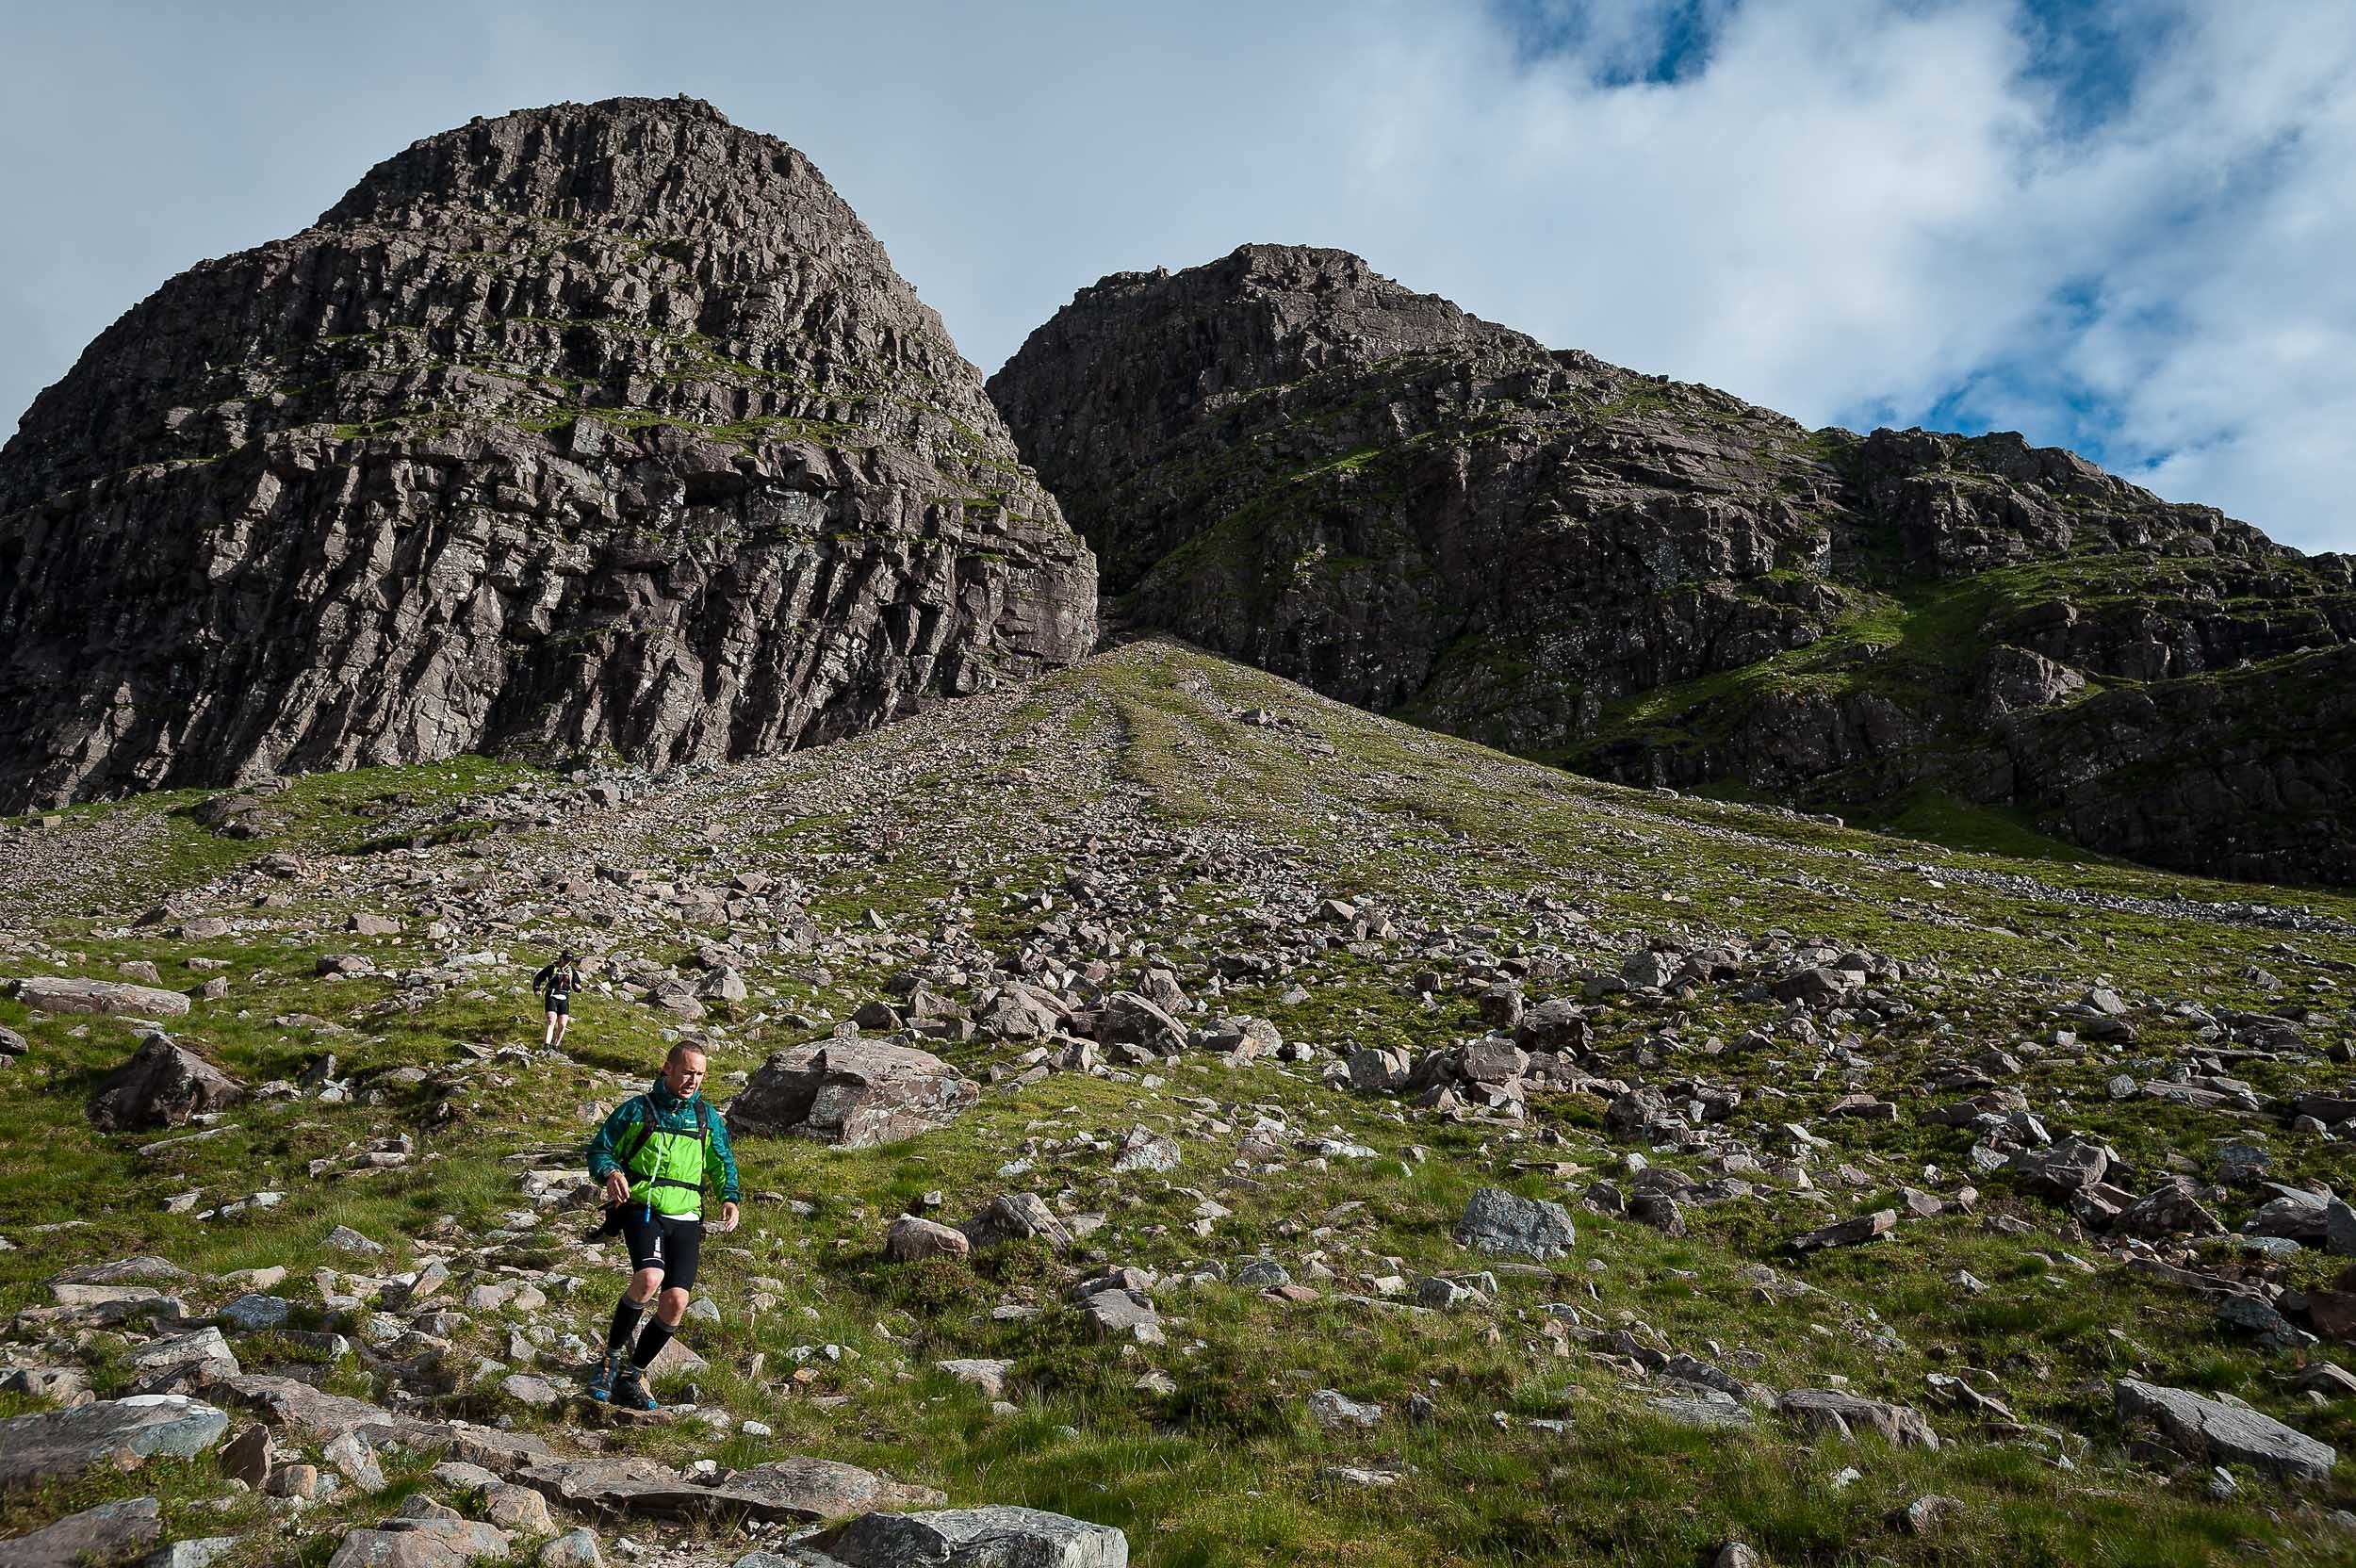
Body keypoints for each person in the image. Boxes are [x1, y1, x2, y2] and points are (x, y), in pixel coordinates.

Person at [582, 1041, 741, 1410]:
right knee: (649, 1278)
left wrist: (729, 1197)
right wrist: (611, 1172)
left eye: (699, 1075)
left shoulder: (706, 1117)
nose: (693, 1081)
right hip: (644, 1208)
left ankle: (632, 1376)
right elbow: (600, 1150)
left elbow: (721, 1162)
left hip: (687, 1216)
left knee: (676, 1302)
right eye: (687, 1072)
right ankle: (609, 1361)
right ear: (667, 1068)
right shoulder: (637, 1110)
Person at [532, 951, 581, 1048]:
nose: (567, 962)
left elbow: (576, 985)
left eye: (569, 961)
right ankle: (546, 1045)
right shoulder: (552, 968)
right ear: (561, 958)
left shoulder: (571, 971)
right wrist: (537, 989)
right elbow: (538, 978)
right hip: (552, 996)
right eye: (566, 960)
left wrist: (578, 987)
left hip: (564, 998)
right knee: (551, 1020)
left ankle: (556, 1046)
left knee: (562, 1024)